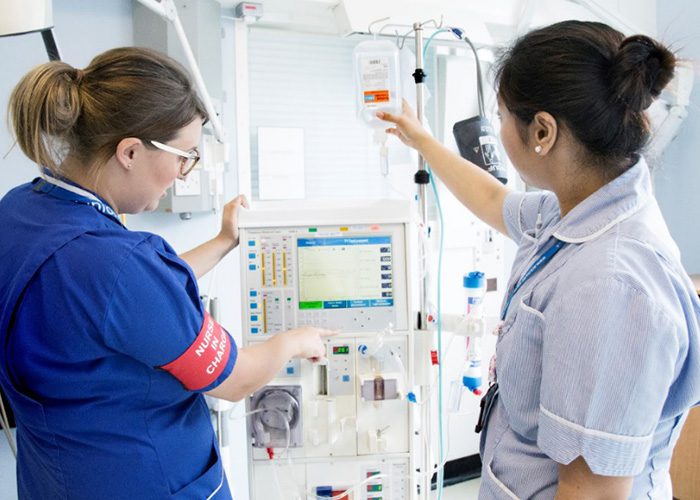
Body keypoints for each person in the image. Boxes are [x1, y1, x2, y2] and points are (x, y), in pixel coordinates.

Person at [379, 20, 700, 500]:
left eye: (504, 117)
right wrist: (423, 141)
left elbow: (591, 492)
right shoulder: (572, 207)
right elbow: (493, 200)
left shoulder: (610, 286)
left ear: (543, 131)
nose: (500, 131)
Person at [0, 47, 333, 499]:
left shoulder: (22, 211)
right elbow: (235, 381)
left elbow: (122, 307)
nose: (182, 172)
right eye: (184, 155)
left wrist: (221, 241)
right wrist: (293, 341)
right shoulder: (116, 266)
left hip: (57, 480)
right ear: (131, 152)